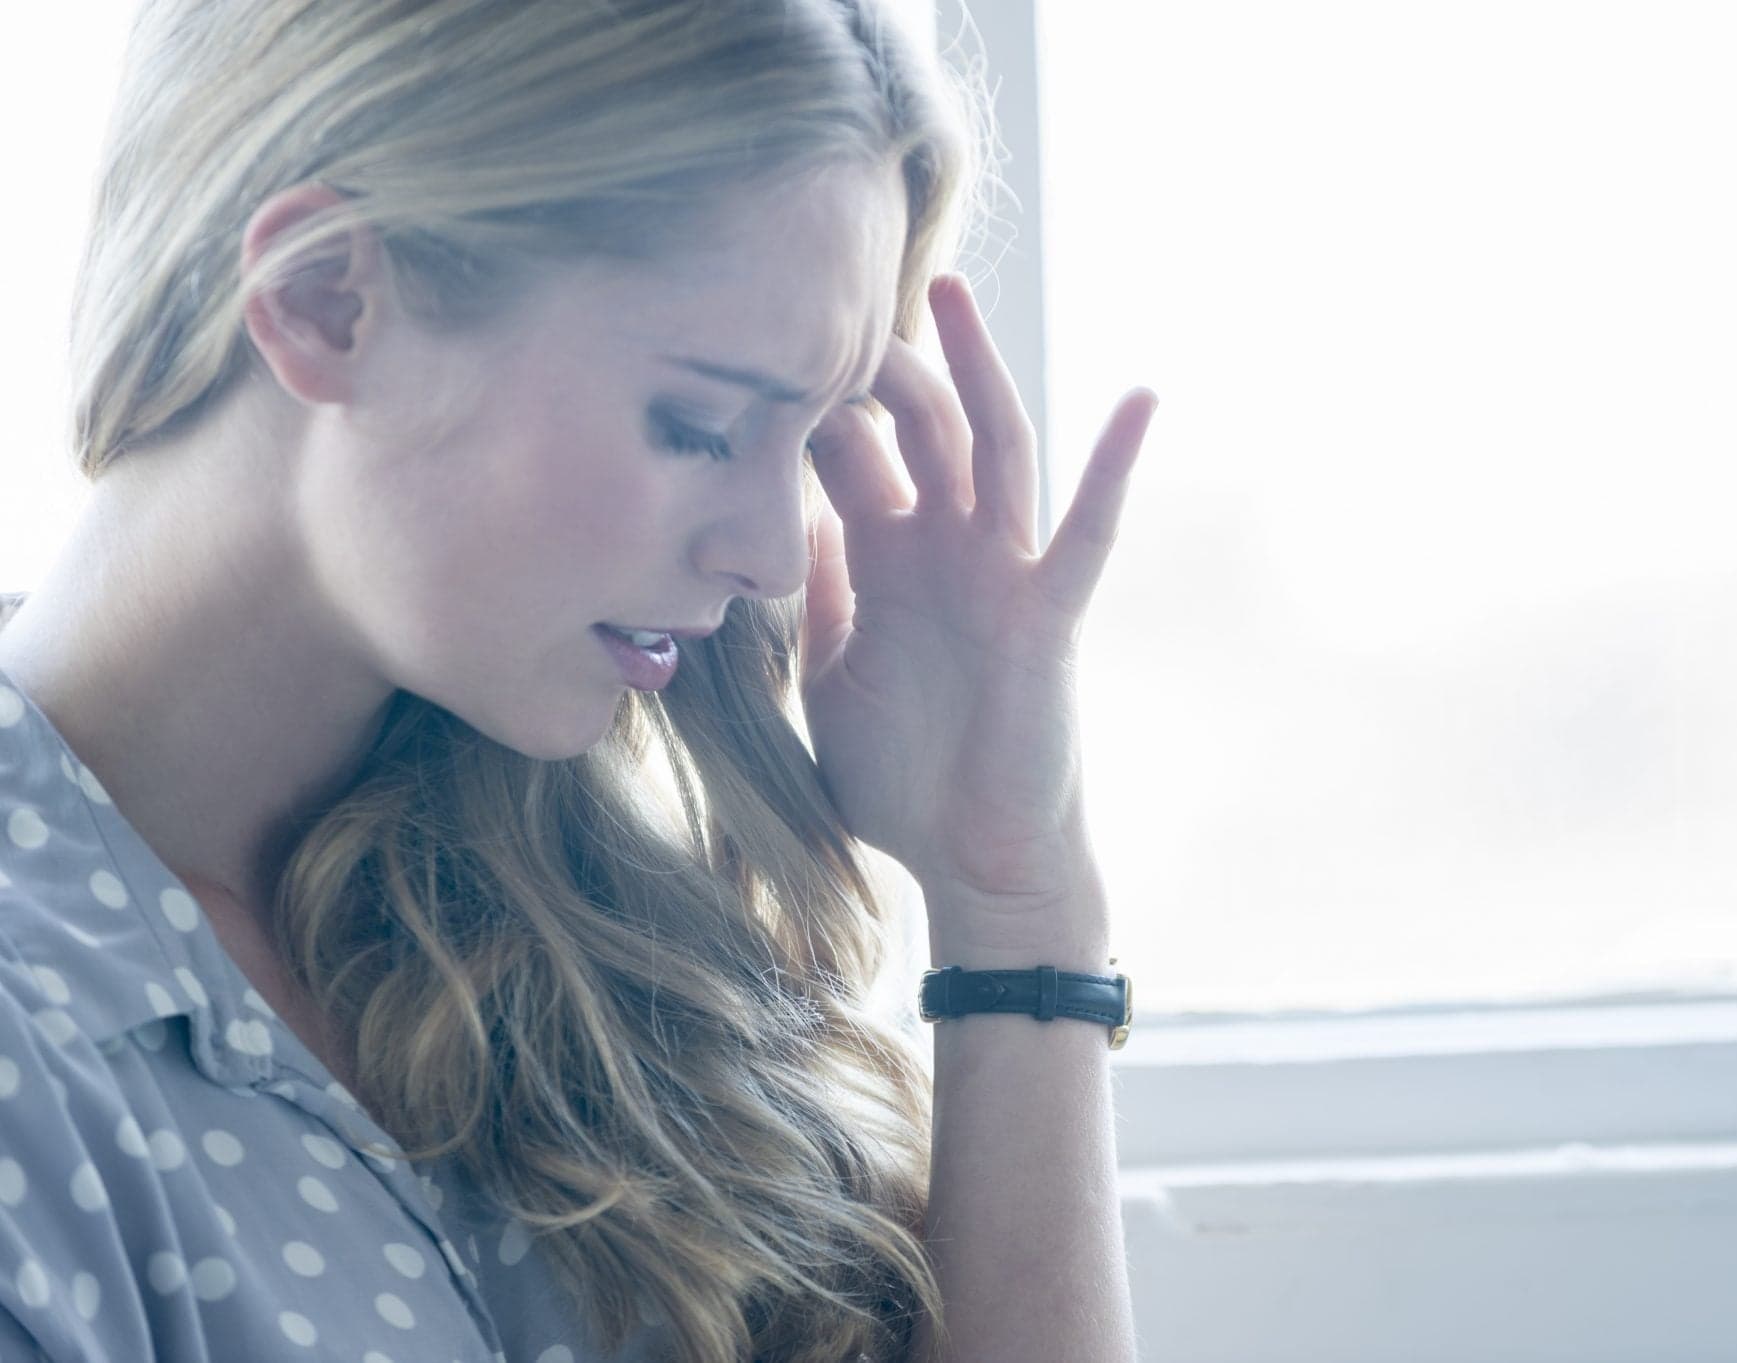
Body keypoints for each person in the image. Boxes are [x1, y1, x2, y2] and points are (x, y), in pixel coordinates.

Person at [0, 2, 1156, 1360]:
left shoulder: (586, 936)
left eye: (816, 435)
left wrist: (1012, 895)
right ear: (324, 300)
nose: (776, 552)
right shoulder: (41, 1037)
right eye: (701, 424)